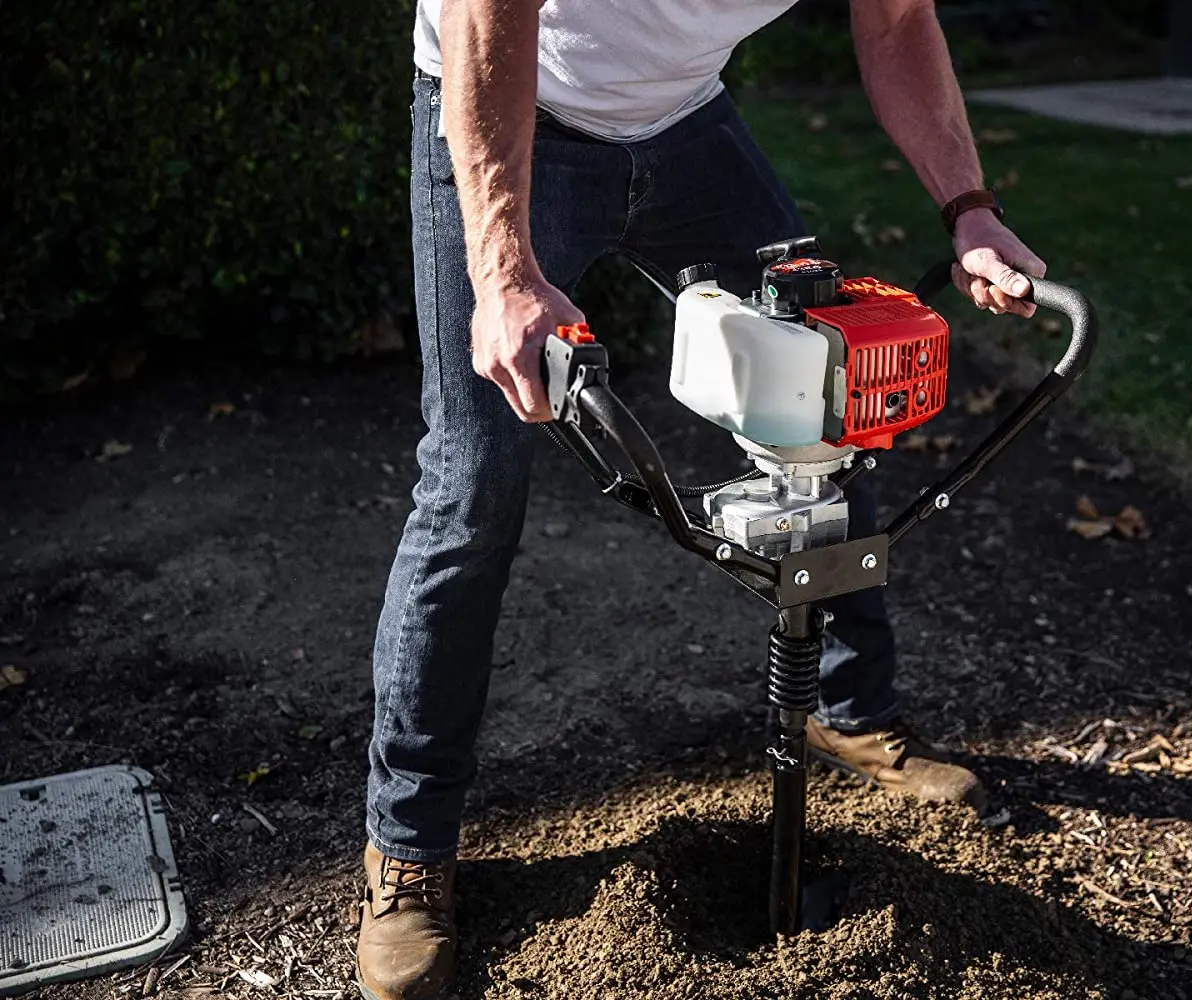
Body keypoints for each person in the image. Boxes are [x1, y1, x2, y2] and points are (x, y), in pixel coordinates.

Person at [357, 1, 1048, 996]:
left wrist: (968, 208)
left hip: (685, 130)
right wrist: (502, 265)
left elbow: (897, 22)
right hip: (513, 115)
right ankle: (407, 845)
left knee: (827, 398)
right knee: (474, 481)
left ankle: (846, 711)